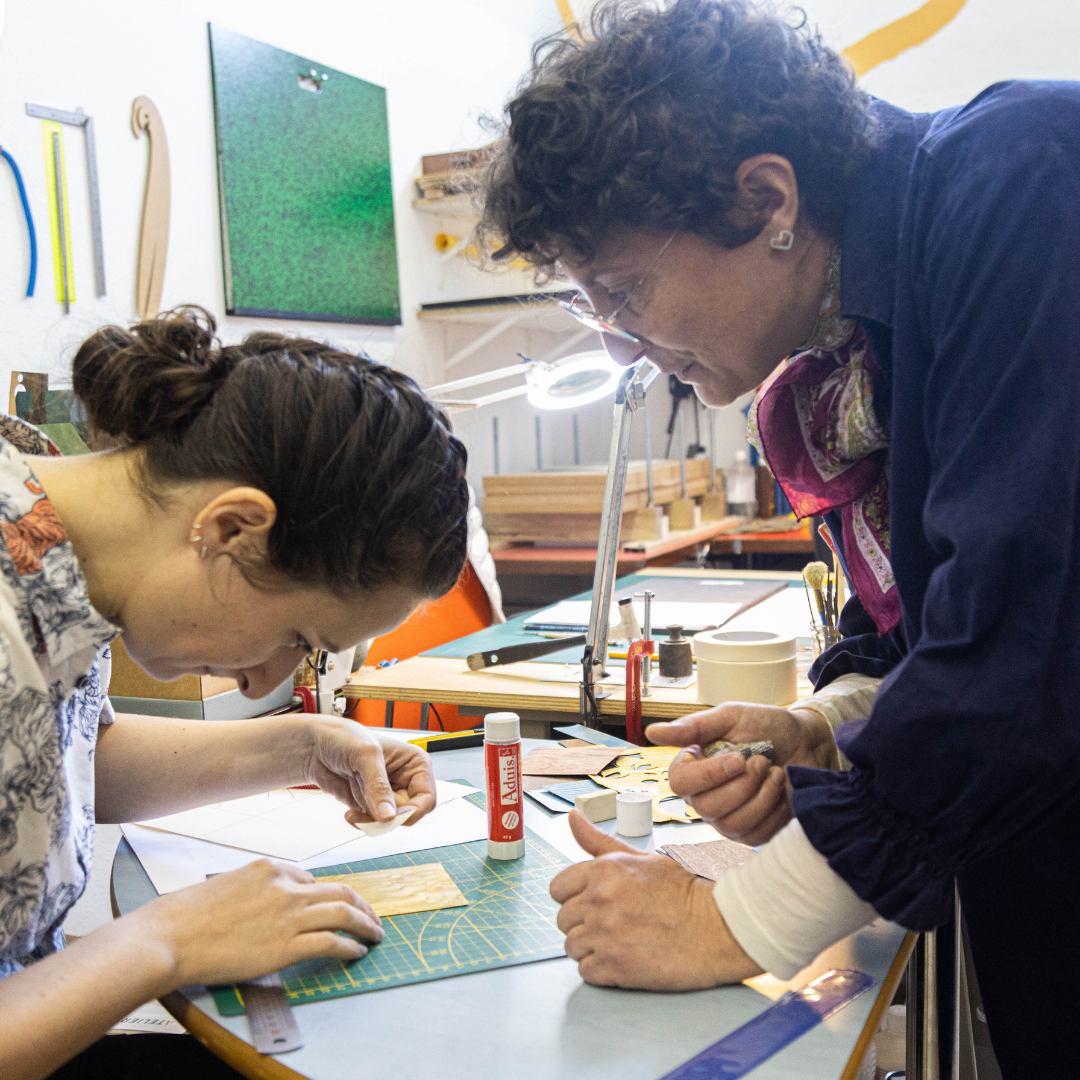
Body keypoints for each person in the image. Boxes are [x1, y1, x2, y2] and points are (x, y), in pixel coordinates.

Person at [477, 0, 1080, 1072]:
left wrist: (728, 923)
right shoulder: (855, 348)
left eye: (623, 292)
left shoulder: (1022, 182)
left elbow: (1026, 643)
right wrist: (827, 730)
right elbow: (927, 623)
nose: (620, 352)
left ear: (768, 200)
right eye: (591, 311)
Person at [0, 307, 469, 1080]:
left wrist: (301, 747)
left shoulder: (47, 537)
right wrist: (164, 940)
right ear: (231, 529)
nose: (271, 680)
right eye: (300, 638)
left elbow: (59, 768)